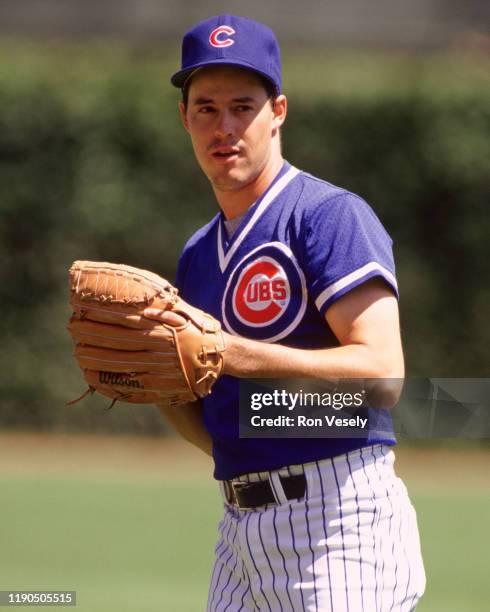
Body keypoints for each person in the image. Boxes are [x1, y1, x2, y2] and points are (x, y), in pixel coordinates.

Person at [145, 14, 426, 611]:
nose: (225, 127)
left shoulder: (327, 216)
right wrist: (160, 385)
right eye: (206, 108)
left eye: (243, 106)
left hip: (338, 522)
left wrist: (235, 354)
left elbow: (383, 375)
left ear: (278, 111)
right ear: (184, 119)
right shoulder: (198, 254)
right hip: (238, 534)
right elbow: (224, 426)